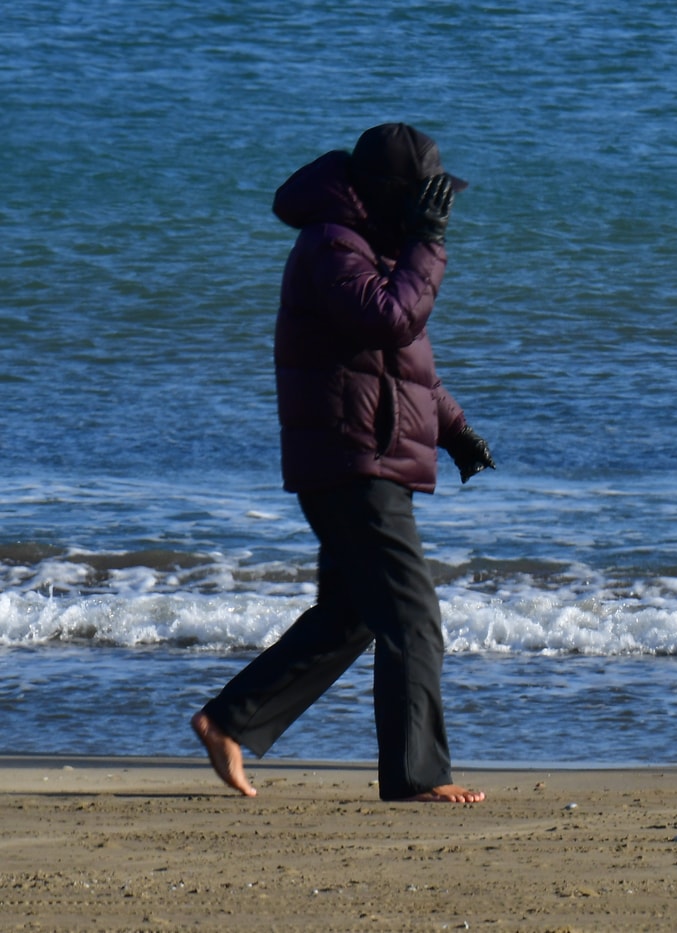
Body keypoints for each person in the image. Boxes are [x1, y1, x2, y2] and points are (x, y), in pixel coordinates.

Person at [190, 123, 497, 803]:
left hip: (365, 458)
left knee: (352, 613)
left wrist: (456, 430)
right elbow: (390, 320)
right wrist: (428, 243)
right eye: (426, 202)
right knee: (413, 616)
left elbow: (404, 365)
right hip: (353, 462)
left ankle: (229, 720)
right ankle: (418, 775)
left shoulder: (374, 249)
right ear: (389, 195)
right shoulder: (333, 246)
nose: (436, 216)